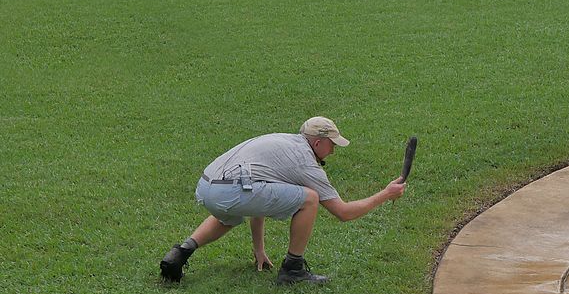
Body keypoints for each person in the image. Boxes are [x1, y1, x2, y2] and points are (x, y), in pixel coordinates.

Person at [160, 116, 407, 285]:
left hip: (207, 186)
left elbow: (258, 195)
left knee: (231, 212)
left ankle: (180, 254)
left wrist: (259, 249)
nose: (333, 151)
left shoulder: (285, 141)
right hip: (230, 190)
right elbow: (343, 212)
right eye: (332, 145)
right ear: (318, 142)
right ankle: (293, 269)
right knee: (310, 198)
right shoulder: (304, 162)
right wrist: (385, 194)